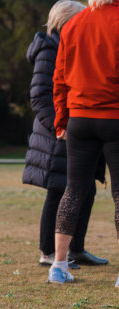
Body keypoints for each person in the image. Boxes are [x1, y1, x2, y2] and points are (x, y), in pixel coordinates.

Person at [22, 0, 108, 270]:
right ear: (67, 21)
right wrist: (60, 128)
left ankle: (76, 248)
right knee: (58, 191)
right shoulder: (49, 49)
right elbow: (39, 96)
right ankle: (48, 252)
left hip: (77, 128)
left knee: (87, 189)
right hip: (58, 134)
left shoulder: (70, 45)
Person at [49, 0, 119, 284]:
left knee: (73, 191)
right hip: (115, 117)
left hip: (79, 118)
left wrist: (61, 120)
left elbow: (60, 78)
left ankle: (59, 265)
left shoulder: (75, 23)